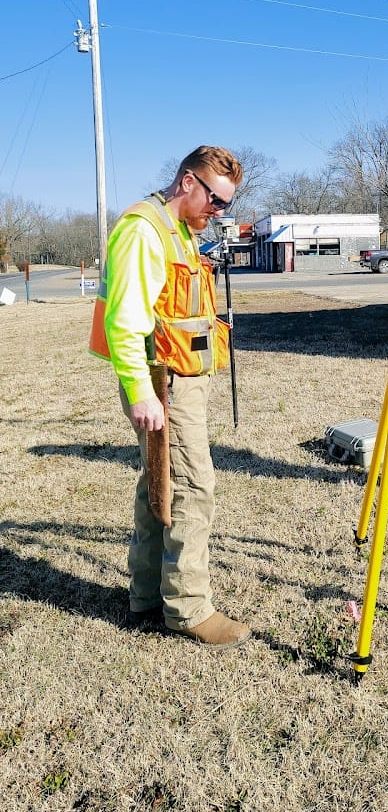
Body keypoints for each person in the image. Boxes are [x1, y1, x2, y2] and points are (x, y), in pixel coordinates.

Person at [89, 146, 250, 648]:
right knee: (192, 487)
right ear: (187, 182)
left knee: (159, 480)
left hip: (179, 380)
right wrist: (141, 392)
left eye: (226, 204)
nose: (218, 212)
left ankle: (146, 594)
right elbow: (124, 321)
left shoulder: (177, 228)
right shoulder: (144, 230)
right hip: (163, 383)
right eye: (215, 201)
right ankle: (187, 609)